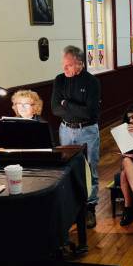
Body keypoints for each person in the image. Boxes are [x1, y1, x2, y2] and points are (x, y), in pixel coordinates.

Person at [51, 45, 101, 231]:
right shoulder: (59, 80)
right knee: (68, 168)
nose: (65, 69)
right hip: (65, 130)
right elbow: (55, 109)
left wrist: (66, 103)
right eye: (64, 65)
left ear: (80, 64)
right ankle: (73, 207)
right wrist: (71, 106)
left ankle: (90, 207)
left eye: (69, 65)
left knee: (89, 167)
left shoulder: (92, 82)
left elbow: (89, 112)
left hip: (86, 130)